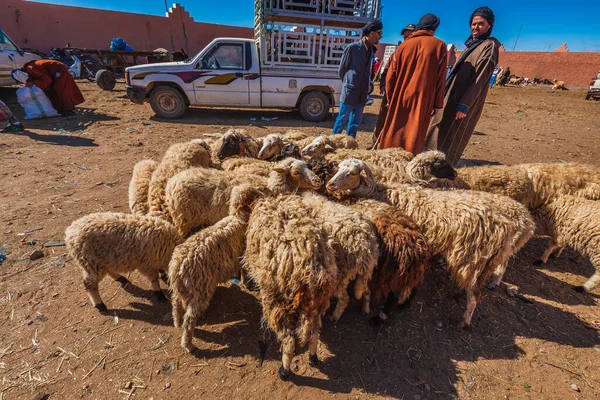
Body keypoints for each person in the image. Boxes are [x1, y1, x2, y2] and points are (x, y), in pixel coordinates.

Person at [424, 6, 500, 165]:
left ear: (489, 26)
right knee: (437, 129)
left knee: (452, 136)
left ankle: (442, 172)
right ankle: (429, 164)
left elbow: (481, 78)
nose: (475, 27)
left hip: (463, 103)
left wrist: (465, 105)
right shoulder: (473, 45)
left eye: (480, 23)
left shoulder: (489, 46)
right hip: (451, 96)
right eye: (473, 23)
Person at [375, 14, 447, 154]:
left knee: (394, 130)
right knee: (415, 133)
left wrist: (392, 97)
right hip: (423, 99)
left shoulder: (404, 46)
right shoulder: (439, 46)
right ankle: (409, 163)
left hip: (400, 96)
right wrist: (437, 104)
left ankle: (387, 161)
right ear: (433, 29)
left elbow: (390, 76)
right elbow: (440, 79)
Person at [332, 19, 382, 138]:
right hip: (350, 92)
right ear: (371, 33)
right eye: (379, 33)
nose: (380, 37)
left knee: (355, 123)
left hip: (362, 94)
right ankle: (332, 144)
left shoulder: (371, 51)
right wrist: (350, 83)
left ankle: (350, 146)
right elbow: (341, 70)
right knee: (341, 121)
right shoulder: (352, 48)